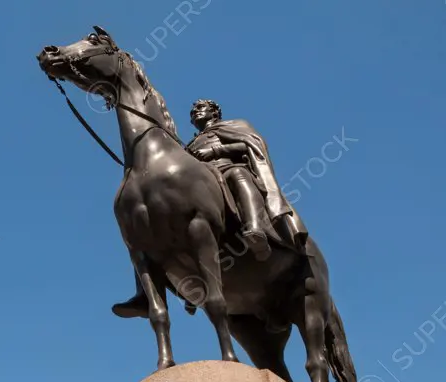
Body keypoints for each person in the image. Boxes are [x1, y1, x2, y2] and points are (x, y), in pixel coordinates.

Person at [112, 99, 309, 319]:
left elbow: (251, 145)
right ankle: (149, 293)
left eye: (200, 108)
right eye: (192, 111)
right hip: (203, 186)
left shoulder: (234, 125)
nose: (195, 113)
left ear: (214, 112)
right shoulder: (190, 144)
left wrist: (216, 150)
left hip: (227, 169)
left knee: (239, 175)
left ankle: (254, 227)